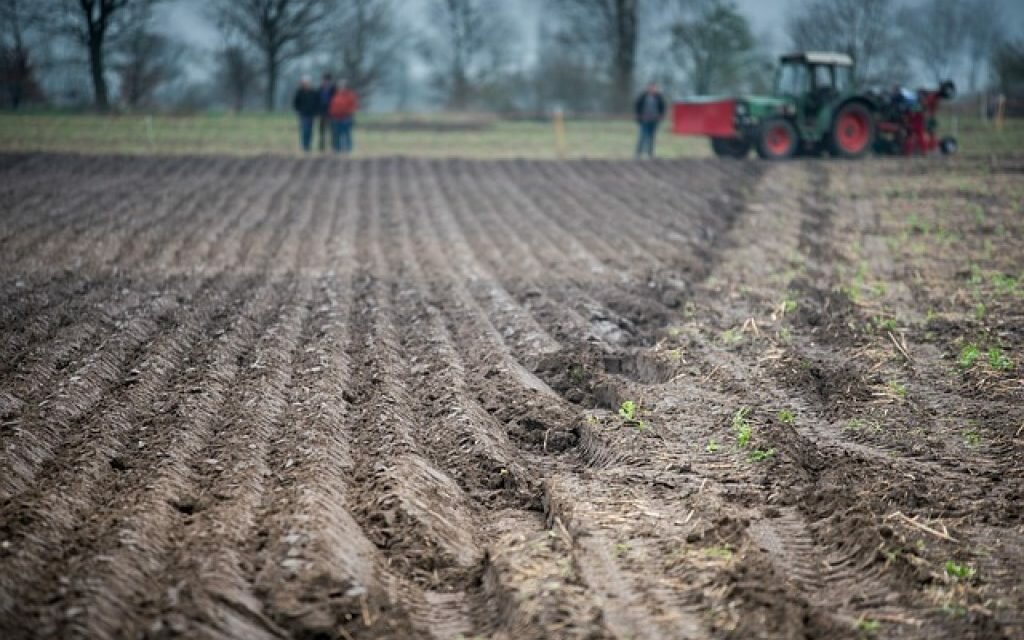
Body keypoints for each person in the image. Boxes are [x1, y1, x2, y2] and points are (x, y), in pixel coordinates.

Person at [634, 82, 666, 158]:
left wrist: (661, 115)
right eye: (651, 87)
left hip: (654, 120)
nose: (652, 89)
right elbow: (637, 105)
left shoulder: (659, 97)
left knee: (652, 137)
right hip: (644, 120)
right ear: (648, 88)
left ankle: (650, 153)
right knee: (642, 136)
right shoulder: (643, 96)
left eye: (654, 88)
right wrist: (638, 115)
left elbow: (663, 107)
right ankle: (638, 153)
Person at [327, 81, 359, 154]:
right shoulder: (336, 96)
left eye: (343, 86)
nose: (341, 88)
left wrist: (349, 113)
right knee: (336, 135)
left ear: (346, 87)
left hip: (346, 118)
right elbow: (332, 107)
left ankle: (348, 150)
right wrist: (331, 114)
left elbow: (354, 106)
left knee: (347, 134)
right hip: (336, 118)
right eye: (340, 86)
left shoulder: (350, 95)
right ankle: (337, 149)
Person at [292, 76, 320, 152]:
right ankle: (304, 146)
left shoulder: (313, 92)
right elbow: (295, 103)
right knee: (304, 130)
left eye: (306, 83)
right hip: (303, 115)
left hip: (311, 115)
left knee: (310, 131)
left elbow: (317, 103)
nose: (305, 84)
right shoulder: (299, 92)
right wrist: (298, 111)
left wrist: (316, 112)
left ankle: (308, 146)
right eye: (304, 83)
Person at [318, 73, 335, 152]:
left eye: (327, 81)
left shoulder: (334, 90)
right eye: (324, 80)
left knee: (331, 131)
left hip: (331, 114)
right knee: (322, 131)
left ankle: (332, 147)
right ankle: (321, 147)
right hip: (322, 113)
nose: (326, 82)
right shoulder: (320, 89)